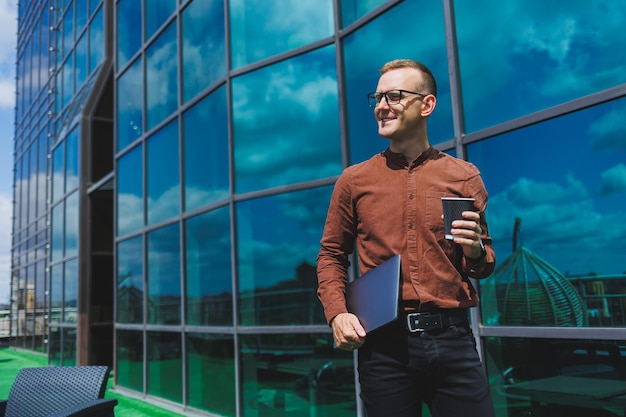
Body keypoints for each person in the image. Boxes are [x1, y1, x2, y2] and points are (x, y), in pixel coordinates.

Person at [316, 59, 496, 417]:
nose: (382, 106)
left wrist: (476, 249)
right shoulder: (354, 180)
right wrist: (337, 314)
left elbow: (483, 263)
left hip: (454, 343)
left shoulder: (463, 176)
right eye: (378, 97)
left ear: (426, 105)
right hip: (384, 349)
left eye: (394, 96)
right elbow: (331, 254)